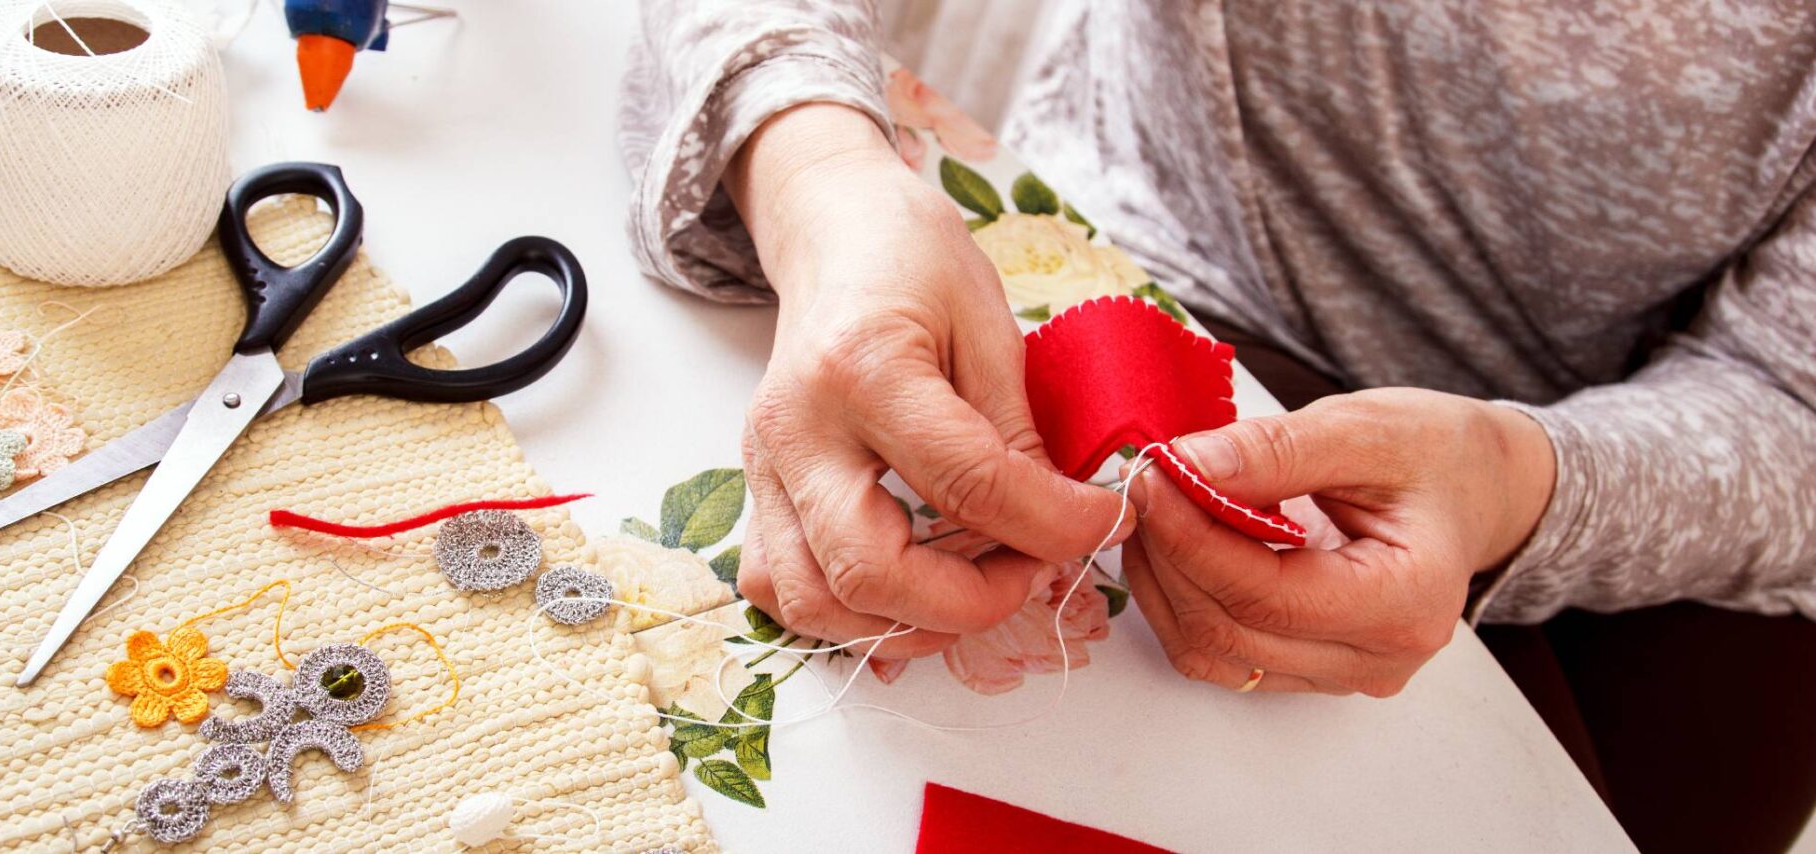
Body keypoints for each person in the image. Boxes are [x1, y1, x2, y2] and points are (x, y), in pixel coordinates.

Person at [619, 2, 1816, 850]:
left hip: (1574, 506)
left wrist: (1520, 480)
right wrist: (817, 175)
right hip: (1070, 244)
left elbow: (1790, 397)